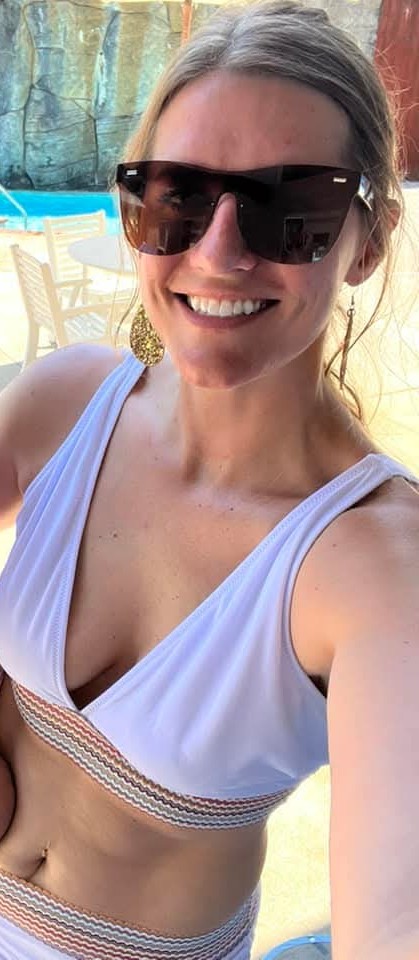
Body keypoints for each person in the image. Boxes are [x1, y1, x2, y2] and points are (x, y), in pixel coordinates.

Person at [0, 1, 418, 958]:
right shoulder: (66, 404)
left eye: (290, 209)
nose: (219, 251)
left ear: (368, 240)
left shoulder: (377, 566)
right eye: (176, 197)